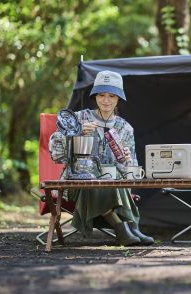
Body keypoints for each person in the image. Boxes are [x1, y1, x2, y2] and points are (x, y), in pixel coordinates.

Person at [49, 70, 154, 246]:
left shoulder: (125, 128)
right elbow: (55, 151)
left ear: (118, 98)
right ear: (95, 96)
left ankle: (131, 229)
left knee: (112, 179)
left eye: (112, 96)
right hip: (78, 183)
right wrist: (77, 132)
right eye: (102, 95)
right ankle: (122, 228)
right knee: (98, 181)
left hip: (112, 185)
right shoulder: (79, 118)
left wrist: (126, 160)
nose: (106, 100)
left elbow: (131, 173)